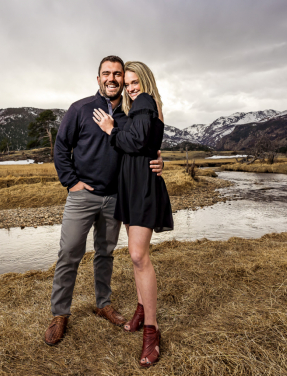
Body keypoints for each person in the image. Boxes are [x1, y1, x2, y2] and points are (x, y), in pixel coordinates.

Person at [44, 55, 164, 347]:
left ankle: (103, 304)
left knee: (105, 254)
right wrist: (72, 182)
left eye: (117, 74)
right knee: (70, 252)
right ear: (98, 78)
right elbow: (62, 147)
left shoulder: (130, 111)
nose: (112, 78)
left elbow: (141, 143)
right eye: (106, 73)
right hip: (83, 195)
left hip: (116, 197)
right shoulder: (81, 109)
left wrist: (159, 159)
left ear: (123, 79)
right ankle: (60, 314)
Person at [93, 61, 173, 368]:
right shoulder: (137, 107)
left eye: (135, 81)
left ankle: (151, 330)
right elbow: (145, 142)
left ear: (146, 81)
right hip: (131, 183)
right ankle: (141, 311)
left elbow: (137, 141)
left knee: (139, 256)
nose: (131, 87)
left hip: (141, 186)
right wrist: (157, 155)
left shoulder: (145, 101)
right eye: (128, 84)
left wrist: (111, 129)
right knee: (135, 255)